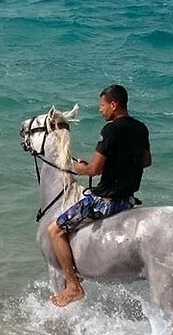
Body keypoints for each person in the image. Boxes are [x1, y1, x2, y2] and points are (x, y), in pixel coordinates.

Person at [47, 84, 151, 306]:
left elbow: (94, 169)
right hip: (128, 200)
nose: (100, 110)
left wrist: (80, 168)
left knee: (55, 230)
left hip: (106, 202)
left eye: (102, 106)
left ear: (114, 105)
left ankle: (73, 286)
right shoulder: (141, 128)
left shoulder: (110, 130)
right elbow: (147, 161)